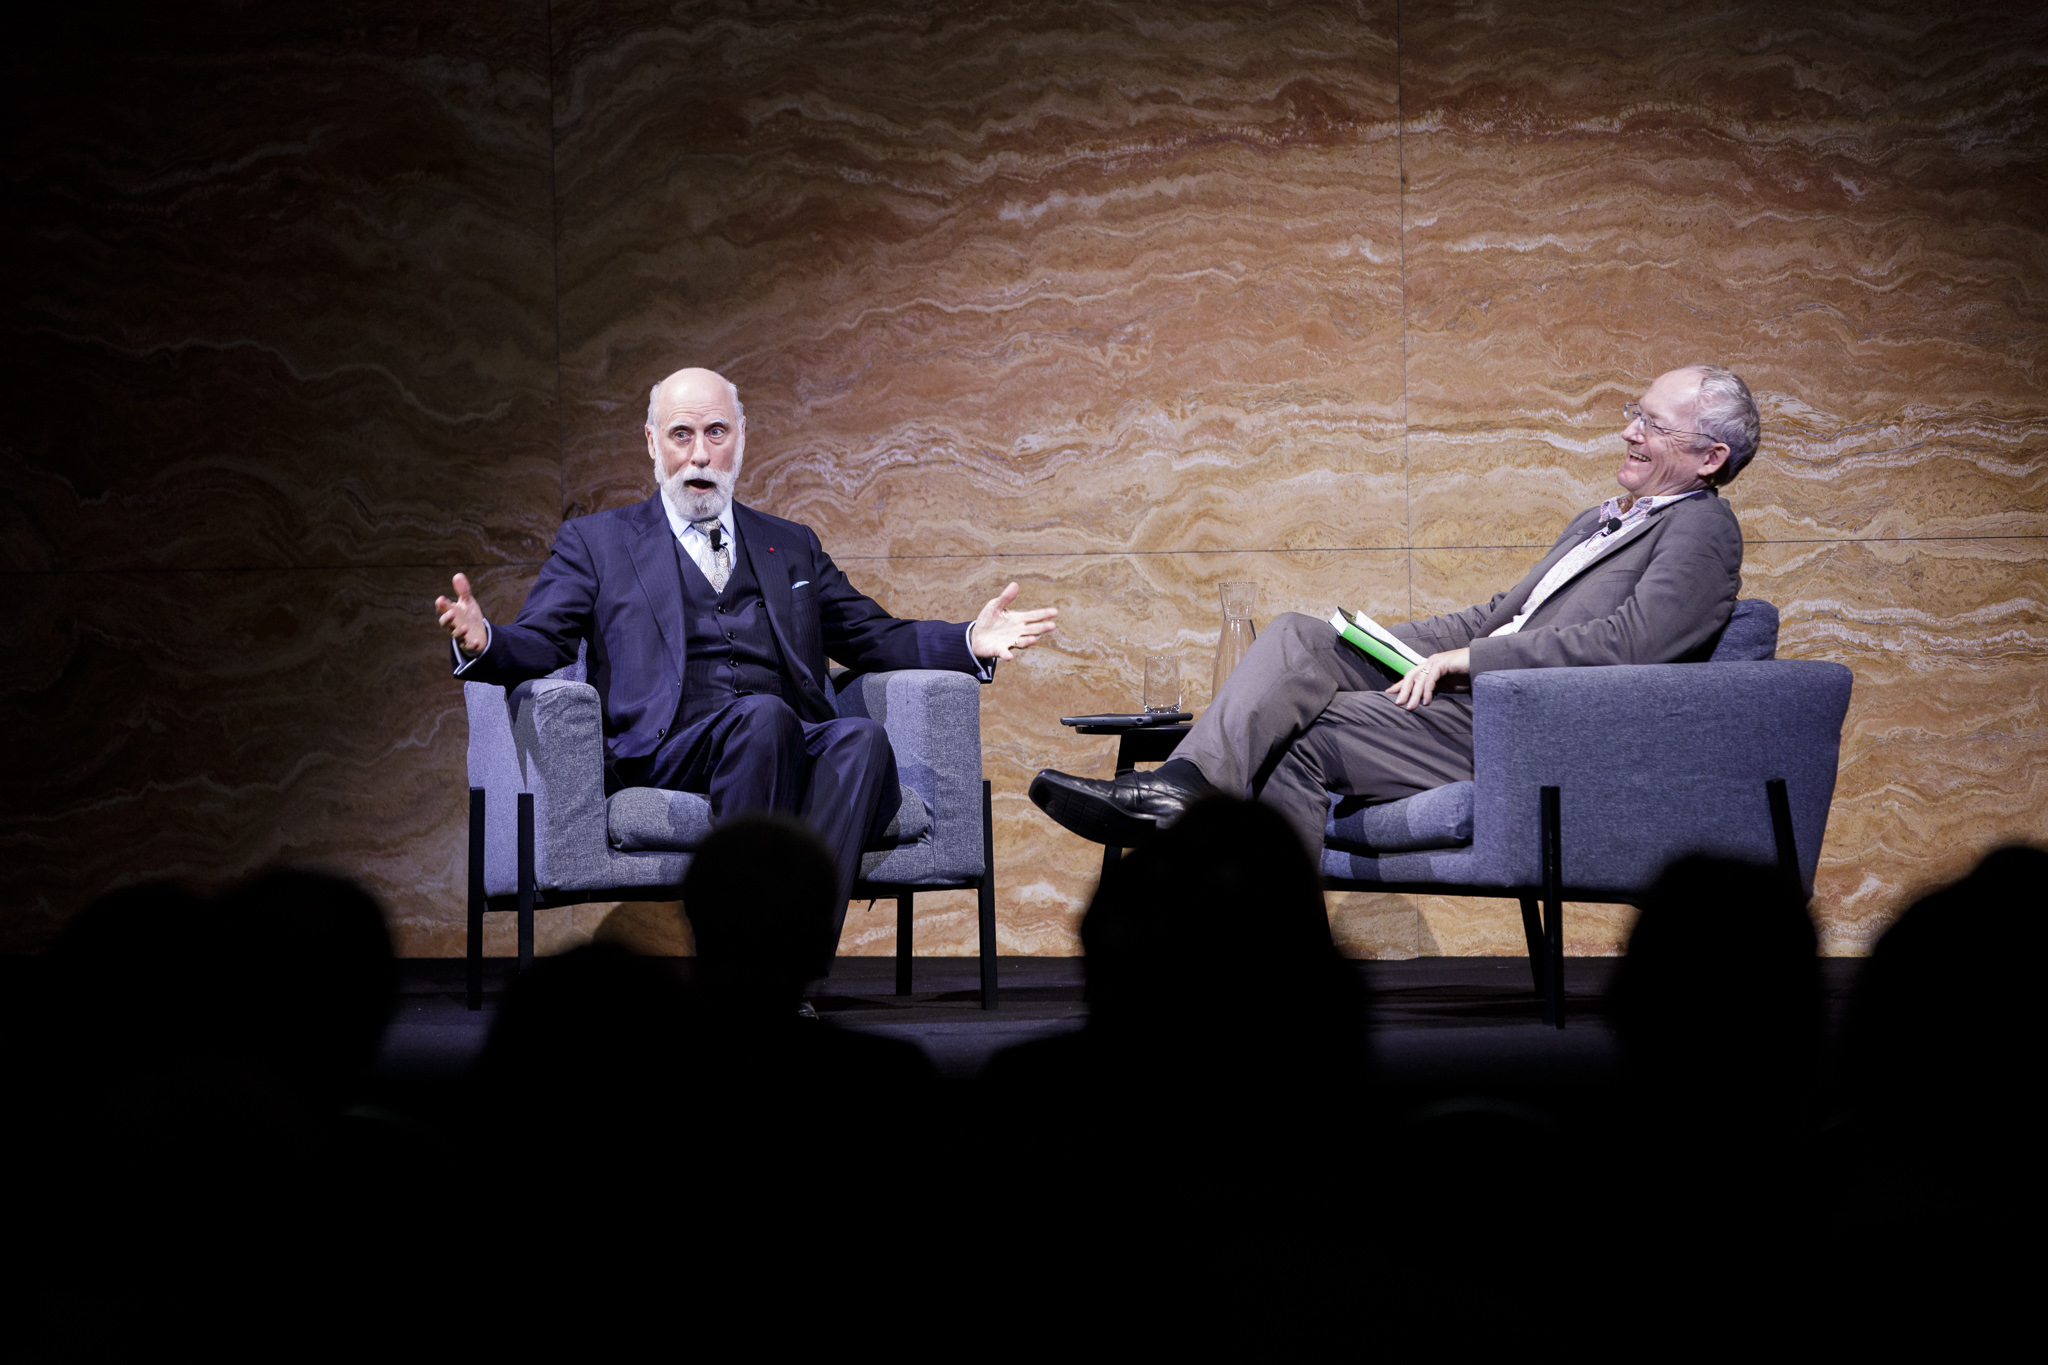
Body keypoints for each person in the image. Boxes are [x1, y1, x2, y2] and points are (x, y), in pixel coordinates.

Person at [1030, 365, 1759, 856]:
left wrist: (1466, 662)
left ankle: (1264, 954)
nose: (1630, 430)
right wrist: (1375, 642)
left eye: (1653, 425)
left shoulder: (1700, 528)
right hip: (1475, 696)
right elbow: (1497, 614)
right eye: (1635, 413)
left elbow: (1633, 645)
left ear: (1708, 457)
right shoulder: (1596, 520)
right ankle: (1183, 788)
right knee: (1299, 637)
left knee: (1307, 731)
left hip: (1523, 722)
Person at [434, 366, 1057, 935]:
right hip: (667, 747)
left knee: (860, 740)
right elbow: (543, 642)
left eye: (715, 432)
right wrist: (486, 641)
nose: (699, 454)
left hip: (786, 734)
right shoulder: (596, 543)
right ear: (652, 443)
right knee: (764, 716)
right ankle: (744, 960)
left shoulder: (789, 544)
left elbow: (871, 635)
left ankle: (789, 966)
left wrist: (970, 640)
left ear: (740, 439)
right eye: (681, 435)